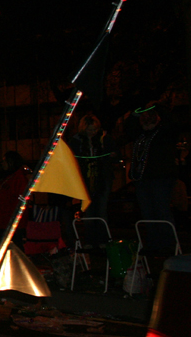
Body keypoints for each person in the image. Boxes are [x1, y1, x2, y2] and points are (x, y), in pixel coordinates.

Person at [124, 102, 179, 253]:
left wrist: (157, 106)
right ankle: (154, 244)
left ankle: (168, 244)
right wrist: (135, 112)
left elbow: (172, 122)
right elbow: (128, 129)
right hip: (143, 179)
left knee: (162, 211)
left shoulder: (165, 133)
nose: (146, 121)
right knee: (147, 212)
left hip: (161, 178)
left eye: (149, 118)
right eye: (143, 119)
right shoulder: (140, 135)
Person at [69, 113, 114, 247]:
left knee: (101, 210)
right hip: (85, 180)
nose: (92, 133)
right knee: (88, 211)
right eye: (89, 130)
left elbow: (115, 153)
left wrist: (111, 155)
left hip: (102, 179)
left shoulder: (104, 138)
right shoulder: (76, 140)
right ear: (84, 129)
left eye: (94, 130)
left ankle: (103, 240)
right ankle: (90, 241)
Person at [0, 151, 29, 245]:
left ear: (11, 162)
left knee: (14, 249)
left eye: (5, 161)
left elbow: (20, 201)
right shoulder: (7, 177)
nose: (2, 164)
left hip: (12, 223)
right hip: (3, 221)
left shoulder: (19, 179)